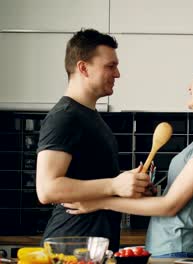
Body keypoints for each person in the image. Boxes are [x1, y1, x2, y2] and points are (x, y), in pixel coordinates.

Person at [64, 53, 193, 258]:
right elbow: (177, 202)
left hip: (179, 249)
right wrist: (153, 195)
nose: (190, 86)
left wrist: (99, 201)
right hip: (174, 248)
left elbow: (170, 206)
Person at [36, 28, 150, 251]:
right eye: (110, 66)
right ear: (83, 67)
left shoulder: (89, 116)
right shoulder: (65, 117)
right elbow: (47, 188)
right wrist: (114, 184)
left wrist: (129, 183)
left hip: (92, 247)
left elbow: (92, 181)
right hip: (69, 247)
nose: (117, 74)